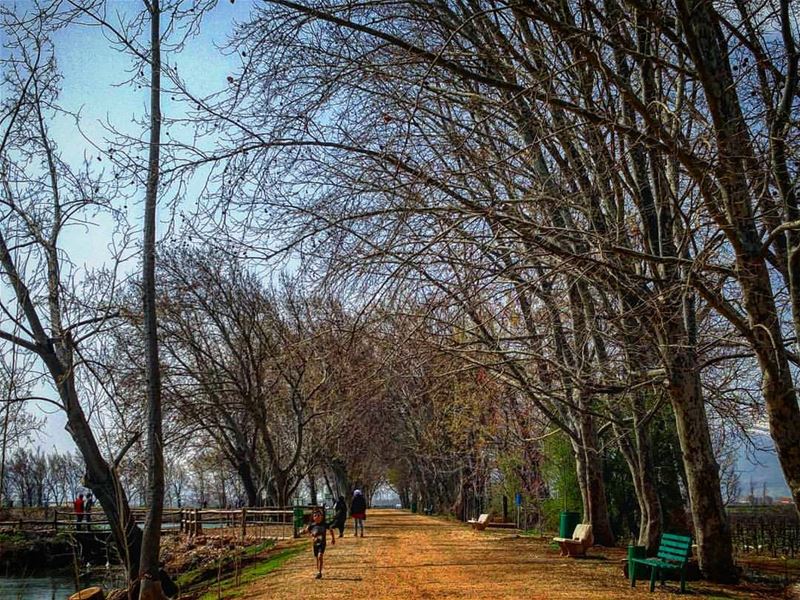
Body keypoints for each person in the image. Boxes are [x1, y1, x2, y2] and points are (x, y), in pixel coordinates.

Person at [303, 508, 336, 579]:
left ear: (321, 516)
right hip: (315, 544)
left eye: (318, 515)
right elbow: (306, 530)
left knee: (320, 556)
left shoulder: (324, 524)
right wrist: (310, 534)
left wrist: (333, 538)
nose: (317, 517)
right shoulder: (312, 525)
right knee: (317, 558)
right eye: (315, 516)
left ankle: (319, 572)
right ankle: (318, 570)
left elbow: (331, 530)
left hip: (322, 543)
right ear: (313, 517)